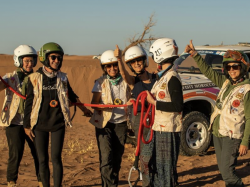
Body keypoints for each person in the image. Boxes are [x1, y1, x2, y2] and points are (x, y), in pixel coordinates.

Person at [23, 42, 93, 187]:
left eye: (59, 58)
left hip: (58, 123)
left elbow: (72, 95)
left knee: (56, 158)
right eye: (53, 57)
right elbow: (28, 103)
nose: (57, 60)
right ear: (44, 58)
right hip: (39, 124)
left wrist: (84, 110)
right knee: (42, 159)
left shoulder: (63, 78)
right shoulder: (34, 77)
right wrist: (26, 126)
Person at [185, 40, 250, 187]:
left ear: (243, 68)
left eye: (235, 66)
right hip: (218, 133)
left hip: (232, 136)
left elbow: (249, 118)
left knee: (228, 172)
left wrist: (245, 142)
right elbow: (208, 71)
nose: (232, 70)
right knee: (223, 170)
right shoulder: (226, 83)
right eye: (228, 67)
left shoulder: (247, 89)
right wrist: (194, 54)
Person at [141, 38, 183, 187]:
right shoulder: (163, 76)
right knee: (154, 164)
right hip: (158, 128)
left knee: (166, 169)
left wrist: (154, 103)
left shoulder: (172, 78)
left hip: (168, 129)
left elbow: (178, 105)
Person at [0, 45, 42, 187]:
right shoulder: (10, 78)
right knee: (15, 154)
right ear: (19, 61)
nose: (30, 64)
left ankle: (42, 181)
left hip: (33, 123)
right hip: (14, 123)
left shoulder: (38, 78)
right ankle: (11, 182)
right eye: (26, 61)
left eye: (32, 61)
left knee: (39, 154)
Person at [89, 50, 131, 187]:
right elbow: (94, 104)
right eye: (109, 66)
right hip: (104, 123)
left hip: (122, 123)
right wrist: (105, 106)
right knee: (106, 156)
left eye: (114, 65)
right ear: (104, 68)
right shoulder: (100, 82)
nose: (112, 69)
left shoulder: (126, 81)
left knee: (117, 157)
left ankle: (114, 183)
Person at [114, 45, 157, 147]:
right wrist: (119, 60)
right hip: (141, 119)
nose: (137, 64)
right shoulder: (133, 81)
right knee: (144, 149)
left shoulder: (156, 78)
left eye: (139, 60)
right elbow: (124, 74)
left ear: (144, 60)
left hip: (157, 116)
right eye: (133, 62)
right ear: (130, 65)